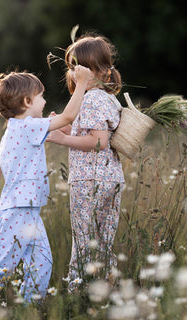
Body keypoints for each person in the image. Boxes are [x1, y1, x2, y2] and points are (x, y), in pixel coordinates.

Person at [0, 65, 92, 303]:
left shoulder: (11, 131)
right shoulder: (28, 126)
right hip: (20, 210)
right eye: (41, 97)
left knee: (41, 261)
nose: (45, 101)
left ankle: (29, 306)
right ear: (27, 101)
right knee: (4, 262)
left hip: (25, 210)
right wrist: (81, 84)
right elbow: (68, 117)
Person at [46, 34, 125, 288]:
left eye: (80, 68)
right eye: (72, 68)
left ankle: (77, 298)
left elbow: (98, 142)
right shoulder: (108, 98)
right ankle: (106, 293)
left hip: (88, 180)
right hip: (110, 178)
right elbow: (92, 134)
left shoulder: (90, 99)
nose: (75, 74)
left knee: (82, 244)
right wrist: (69, 130)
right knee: (103, 246)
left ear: (101, 71)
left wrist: (60, 139)